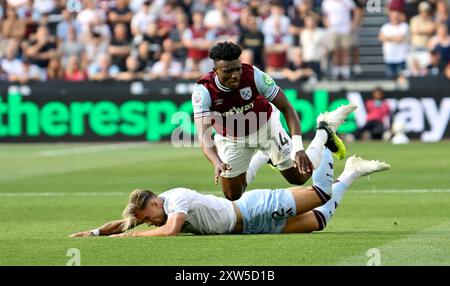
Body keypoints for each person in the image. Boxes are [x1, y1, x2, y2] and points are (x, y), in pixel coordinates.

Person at [69, 154, 390, 237]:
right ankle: (351, 172)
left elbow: (168, 232)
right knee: (319, 221)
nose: (148, 225)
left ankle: (324, 131)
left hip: (251, 209)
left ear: (154, 203)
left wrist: (121, 241)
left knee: (319, 193)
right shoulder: (157, 208)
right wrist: (99, 232)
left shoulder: (176, 200)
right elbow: (127, 224)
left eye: (145, 218)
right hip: (251, 226)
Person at [192, 41, 356, 200]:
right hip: (231, 138)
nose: (235, 75)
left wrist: (298, 148)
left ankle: (323, 132)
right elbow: (204, 136)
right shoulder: (204, 91)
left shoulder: (254, 75)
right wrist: (217, 162)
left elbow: (287, 108)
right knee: (232, 195)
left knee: (299, 177)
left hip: (266, 129)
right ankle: (264, 156)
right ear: (215, 70)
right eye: (228, 71)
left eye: (237, 69)